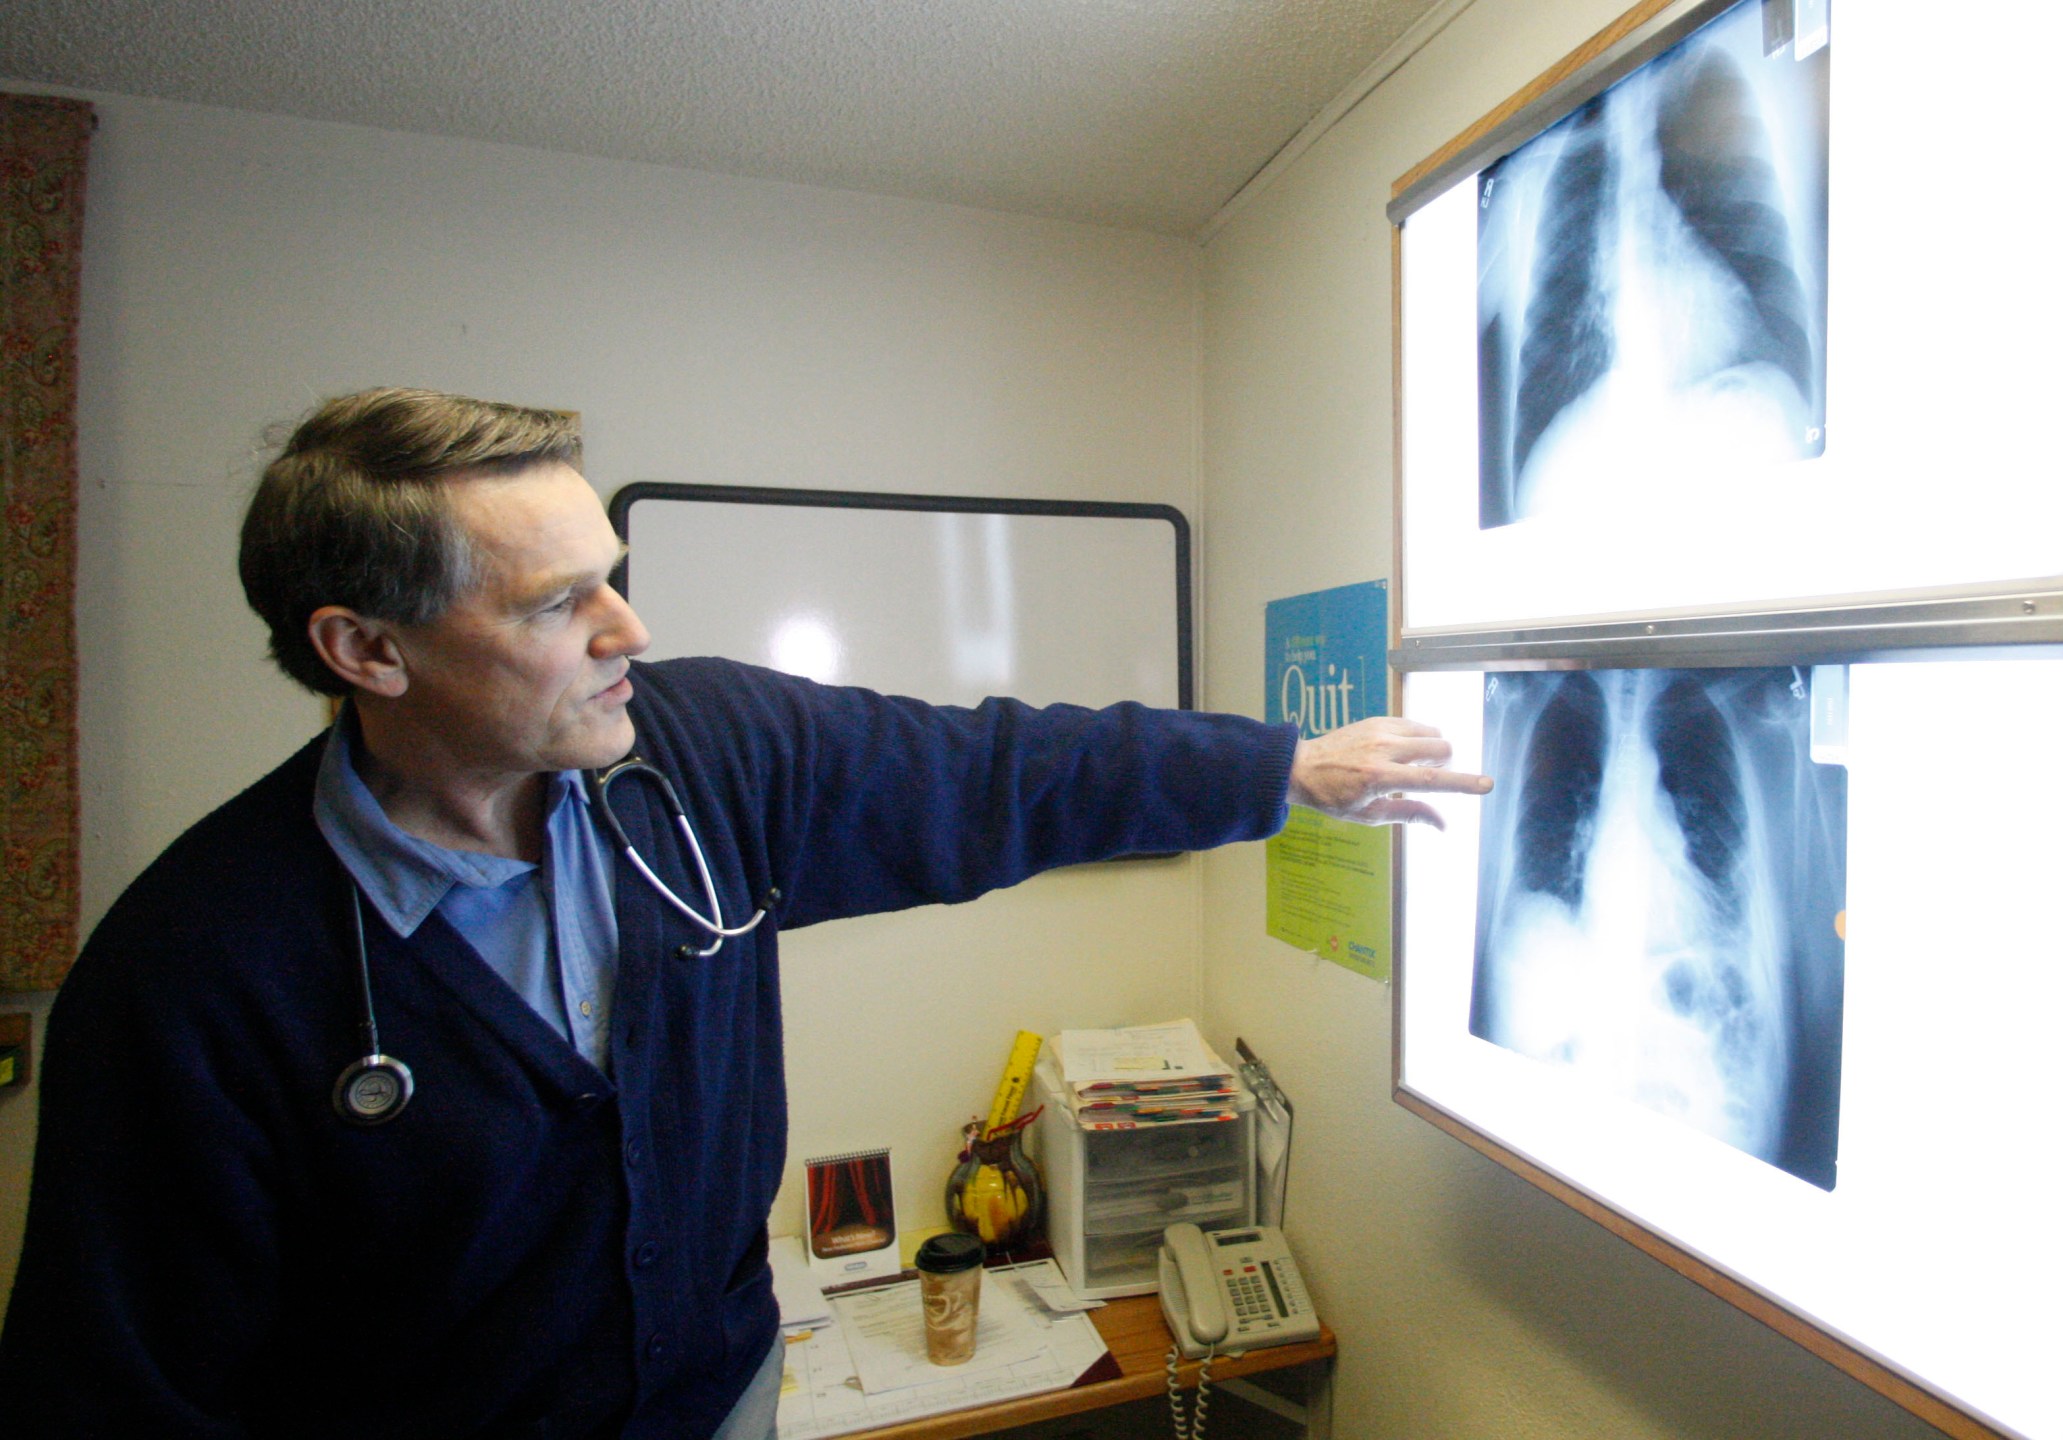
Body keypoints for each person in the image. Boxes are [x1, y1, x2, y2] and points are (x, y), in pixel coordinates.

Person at [0, 388, 1487, 1438]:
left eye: (617, 580)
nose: (628, 631)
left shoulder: (701, 759)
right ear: (365, 649)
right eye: (551, 603)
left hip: (723, 1405)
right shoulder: (194, 972)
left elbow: (994, 770)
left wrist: (1282, 764)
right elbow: (121, 1391)